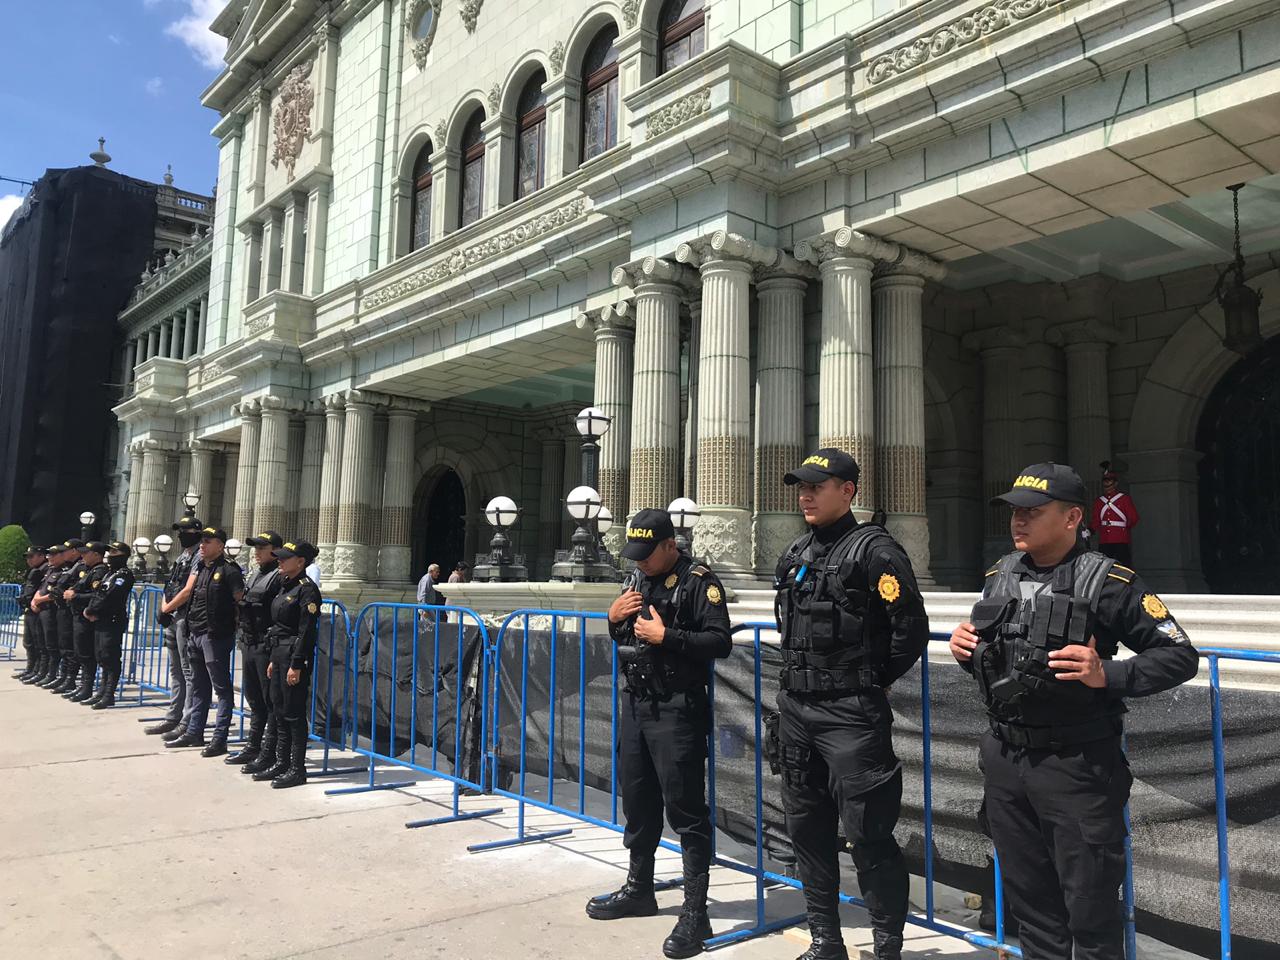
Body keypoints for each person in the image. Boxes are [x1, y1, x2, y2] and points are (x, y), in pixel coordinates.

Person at [949, 462, 1199, 960]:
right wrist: (968, 651)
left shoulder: (1109, 581)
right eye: (1015, 512)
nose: (1018, 522)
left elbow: (1179, 655)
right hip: (1006, 760)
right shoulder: (1000, 575)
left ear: (1072, 518)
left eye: (1033, 512)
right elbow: (1007, 664)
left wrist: (1108, 672)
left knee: (1090, 907)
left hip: (1076, 766)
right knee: (1030, 901)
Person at [772, 449, 929, 960]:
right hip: (797, 709)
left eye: (819, 485)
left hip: (850, 714)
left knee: (869, 834)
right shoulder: (796, 552)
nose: (807, 494)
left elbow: (911, 628)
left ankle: (887, 948)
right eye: (802, 486)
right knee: (807, 829)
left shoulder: (875, 551)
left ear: (849, 491)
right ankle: (826, 941)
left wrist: (872, 680)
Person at [585, 509, 732, 960]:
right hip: (637, 704)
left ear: (671, 544)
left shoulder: (698, 581)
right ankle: (639, 888)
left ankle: (695, 911)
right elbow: (626, 635)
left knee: (686, 810)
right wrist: (612, 618)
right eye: (637, 555)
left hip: (677, 709)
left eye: (648, 554)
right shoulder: (637, 579)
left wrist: (668, 636)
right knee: (638, 800)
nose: (642, 562)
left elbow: (719, 642)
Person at [162, 527, 245, 755]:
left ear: (220, 545)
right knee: (198, 686)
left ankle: (219, 739)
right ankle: (194, 733)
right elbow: (192, 598)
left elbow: (241, 602)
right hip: (195, 633)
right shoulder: (199, 567)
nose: (202, 545)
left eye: (208, 541)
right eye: (202, 541)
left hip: (215, 636)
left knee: (222, 689)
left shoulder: (229, 571)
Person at [260, 539, 323, 789]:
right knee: (278, 708)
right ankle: (281, 762)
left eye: (285, 558)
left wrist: (296, 664)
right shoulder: (285, 586)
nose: (280, 561)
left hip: (293, 655)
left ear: (301, 562)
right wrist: (275, 660)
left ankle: (297, 769)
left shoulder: (307, 590)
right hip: (279, 653)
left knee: (293, 712)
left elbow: (306, 631)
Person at [228, 531, 283, 771]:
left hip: (265, 645)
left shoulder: (278, 577)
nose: (257, 552)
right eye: (256, 548)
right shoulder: (254, 575)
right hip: (249, 642)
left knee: (269, 701)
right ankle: (253, 746)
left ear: (275, 550)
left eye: (262, 547)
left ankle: (269, 752)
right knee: (254, 699)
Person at [146, 514, 203, 738]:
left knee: (188, 672)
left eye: (185, 531)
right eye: (179, 531)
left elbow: (188, 589)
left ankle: (188, 721)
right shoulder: (182, 556)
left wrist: (168, 608)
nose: (181, 535)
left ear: (196, 533)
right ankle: (173, 717)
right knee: (175, 670)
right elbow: (170, 584)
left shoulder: (199, 555)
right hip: (174, 615)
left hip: (185, 617)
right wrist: (164, 608)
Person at [83, 541, 135, 710]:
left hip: (112, 619)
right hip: (101, 619)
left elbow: (111, 596)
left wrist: (93, 609)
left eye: (113, 552)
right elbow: (98, 593)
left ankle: (108, 694)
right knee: (100, 656)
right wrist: (91, 609)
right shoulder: (109, 574)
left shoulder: (124, 575)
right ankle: (101, 691)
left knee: (109, 656)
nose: (109, 556)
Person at [64, 542, 110, 703]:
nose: (83, 555)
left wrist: (75, 596)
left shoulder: (100, 571)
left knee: (86, 654)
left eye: (87, 553)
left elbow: (96, 594)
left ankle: (87, 687)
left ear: (97, 555)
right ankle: (83, 686)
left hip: (86, 617)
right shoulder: (89, 570)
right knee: (80, 652)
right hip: (78, 615)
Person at [31, 542, 76, 687]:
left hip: (52, 610)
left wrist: (39, 600)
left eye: (53, 554)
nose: (49, 557)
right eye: (48, 554)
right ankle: (40, 672)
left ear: (62, 556)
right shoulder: (50, 570)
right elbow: (42, 587)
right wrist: (34, 600)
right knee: (40, 643)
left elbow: (57, 593)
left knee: (52, 645)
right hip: (41, 609)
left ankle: (52, 674)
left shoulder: (66, 570)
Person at [1089, 463, 1139, 566]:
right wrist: (1090, 530)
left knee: (1124, 566)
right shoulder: (1099, 501)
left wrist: (1124, 528)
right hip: (1104, 539)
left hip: (1120, 538)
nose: (1107, 486)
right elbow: (1096, 520)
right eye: (1105, 484)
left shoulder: (1124, 499)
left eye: (1109, 483)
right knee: (1104, 567)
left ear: (1115, 484)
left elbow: (1133, 518)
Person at [16, 545, 48, 682]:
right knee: (28, 642)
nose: (28, 559)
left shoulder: (45, 569)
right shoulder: (33, 570)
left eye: (31, 556)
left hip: (38, 610)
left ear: (41, 556)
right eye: (27, 557)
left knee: (38, 643)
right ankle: (30, 669)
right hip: (29, 609)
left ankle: (39, 671)